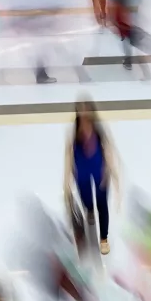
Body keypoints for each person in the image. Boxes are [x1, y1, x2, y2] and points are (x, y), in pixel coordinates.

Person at [64, 99, 120, 256]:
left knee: (102, 205)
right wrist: (66, 182)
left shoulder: (100, 130)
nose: (84, 116)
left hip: (99, 172)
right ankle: (89, 210)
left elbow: (109, 151)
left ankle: (103, 238)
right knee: (86, 200)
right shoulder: (73, 133)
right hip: (81, 173)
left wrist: (114, 177)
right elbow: (68, 157)